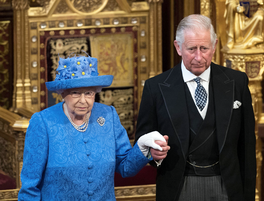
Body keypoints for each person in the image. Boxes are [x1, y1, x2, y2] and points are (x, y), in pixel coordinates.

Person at [135, 14, 256, 201]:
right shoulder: (156, 88)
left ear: (214, 45)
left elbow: (247, 147)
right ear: (178, 47)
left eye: (204, 48)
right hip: (179, 186)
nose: (198, 57)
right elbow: (143, 141)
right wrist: (154, 154)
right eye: (191, 49)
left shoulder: (236, 83)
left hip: (227, 186)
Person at [18, 55, 169, 201]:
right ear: (63, 93)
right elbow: (30, 185)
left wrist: (142, 147)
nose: (83, 100)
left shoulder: (108, 115)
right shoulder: (43, 122)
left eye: (89, 93)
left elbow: (125, 167)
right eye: (75, 93)